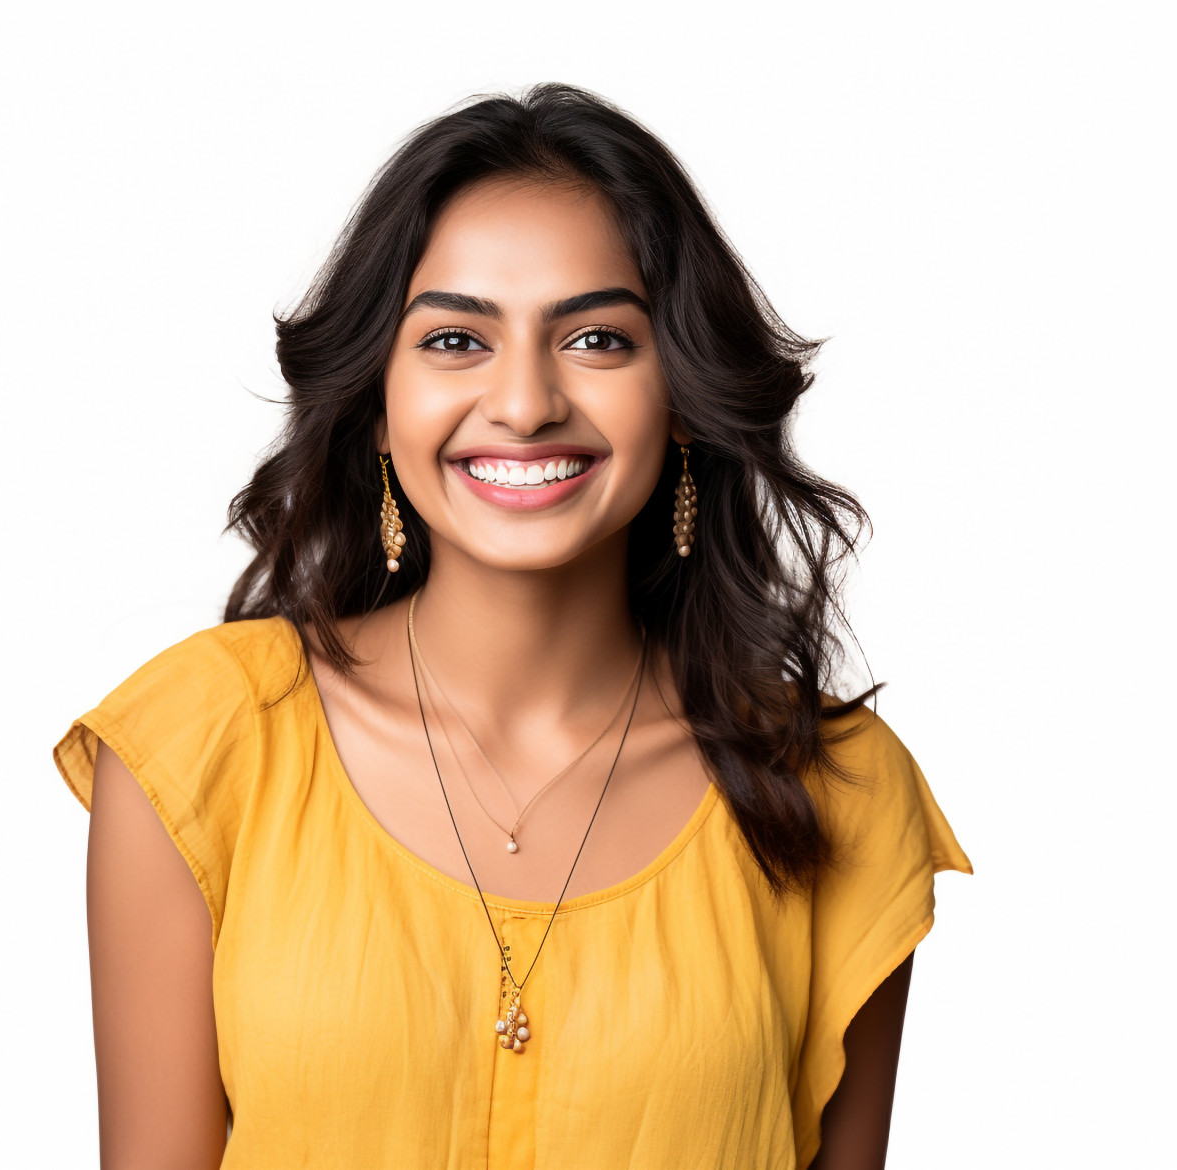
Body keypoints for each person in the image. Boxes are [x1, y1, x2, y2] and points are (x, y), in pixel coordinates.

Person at [54, 82, 973, 1169]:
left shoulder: (838, 793)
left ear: (680, 390)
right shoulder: (201, 745)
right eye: (454, 341)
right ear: (378, 394)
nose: (526, 402)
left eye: (594, 338)